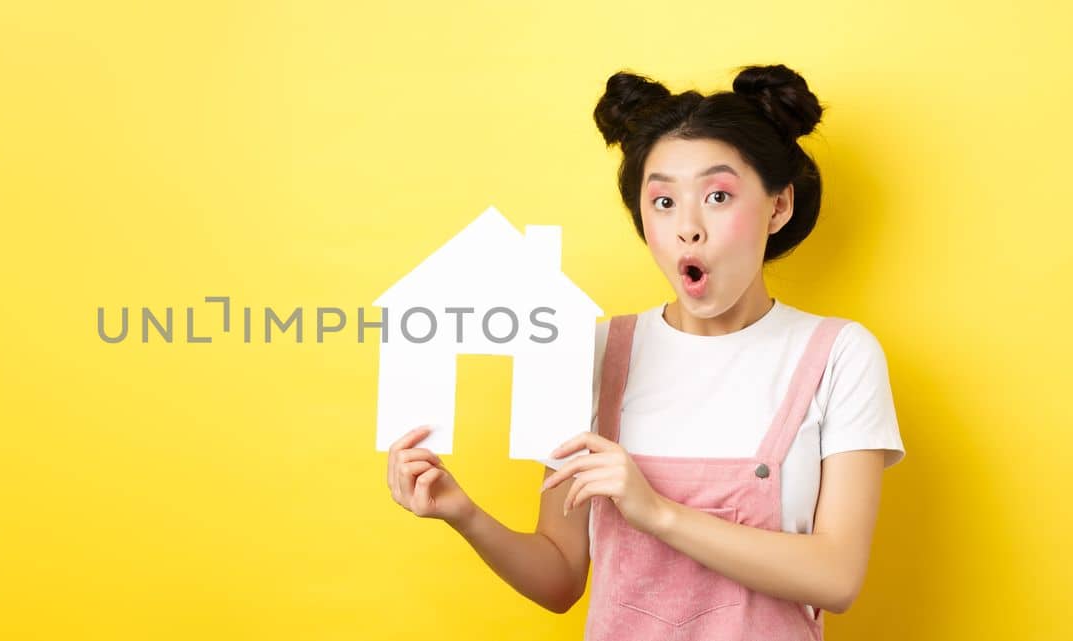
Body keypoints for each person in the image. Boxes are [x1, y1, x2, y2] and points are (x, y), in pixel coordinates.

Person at [383, 64, 905, 640]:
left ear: (778, 206)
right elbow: (559, 578)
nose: (688, 227)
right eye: (662, 202)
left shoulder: (839, 355)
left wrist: (654, 510)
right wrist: (464, 515)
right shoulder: (594, 351)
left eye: (718, 195)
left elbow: (836, 576)